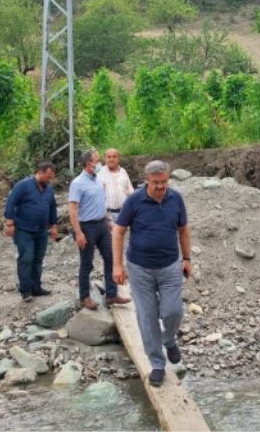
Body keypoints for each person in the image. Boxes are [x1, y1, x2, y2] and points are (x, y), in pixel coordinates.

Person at [112, 160, 192, 387]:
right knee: (147, 317)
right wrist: (117, 266)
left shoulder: (176, 199)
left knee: (173, 311)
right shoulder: (134, 201)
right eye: (156, 182)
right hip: (140, 268)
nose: (160, 186)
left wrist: (187, 258)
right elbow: (118, 232)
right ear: (147, 180)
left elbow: (183, 229)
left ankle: (169, 339)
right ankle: (157, 364)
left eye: (164, 181)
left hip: (170, 266)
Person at [69, 149, 131, 310]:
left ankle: (111, 294)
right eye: (97, 160)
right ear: (89, 164)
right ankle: (84, 297)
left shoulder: (98, 179)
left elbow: (101, 202)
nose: (100, 163)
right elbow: (73, 210)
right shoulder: (77, 183)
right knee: (86, 263)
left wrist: (108, 220)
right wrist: (78, 233)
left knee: (111, 258)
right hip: (87, 227)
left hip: (102, 225)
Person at [3, 161, 59, 302]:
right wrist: (9, 223)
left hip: (41, 231)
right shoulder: (23, 185)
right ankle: (25, 290)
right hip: (23, 229)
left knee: (38, 259)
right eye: (48, 176)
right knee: (27, 258)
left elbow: (52, 207)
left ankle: (36, 288)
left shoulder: (49, 190)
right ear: (40, 172)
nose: (49, 180)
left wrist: (53, 226)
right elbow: (11, 202)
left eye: (51, 177)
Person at [97, 148, 134, 222]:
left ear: (118, 158)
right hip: (106, 215)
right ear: (105, 159)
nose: (111, 159)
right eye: (109, 157)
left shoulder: (123, 172)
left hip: (123, 213)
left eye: (114, 156)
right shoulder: (99, 173)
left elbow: (130, 190)